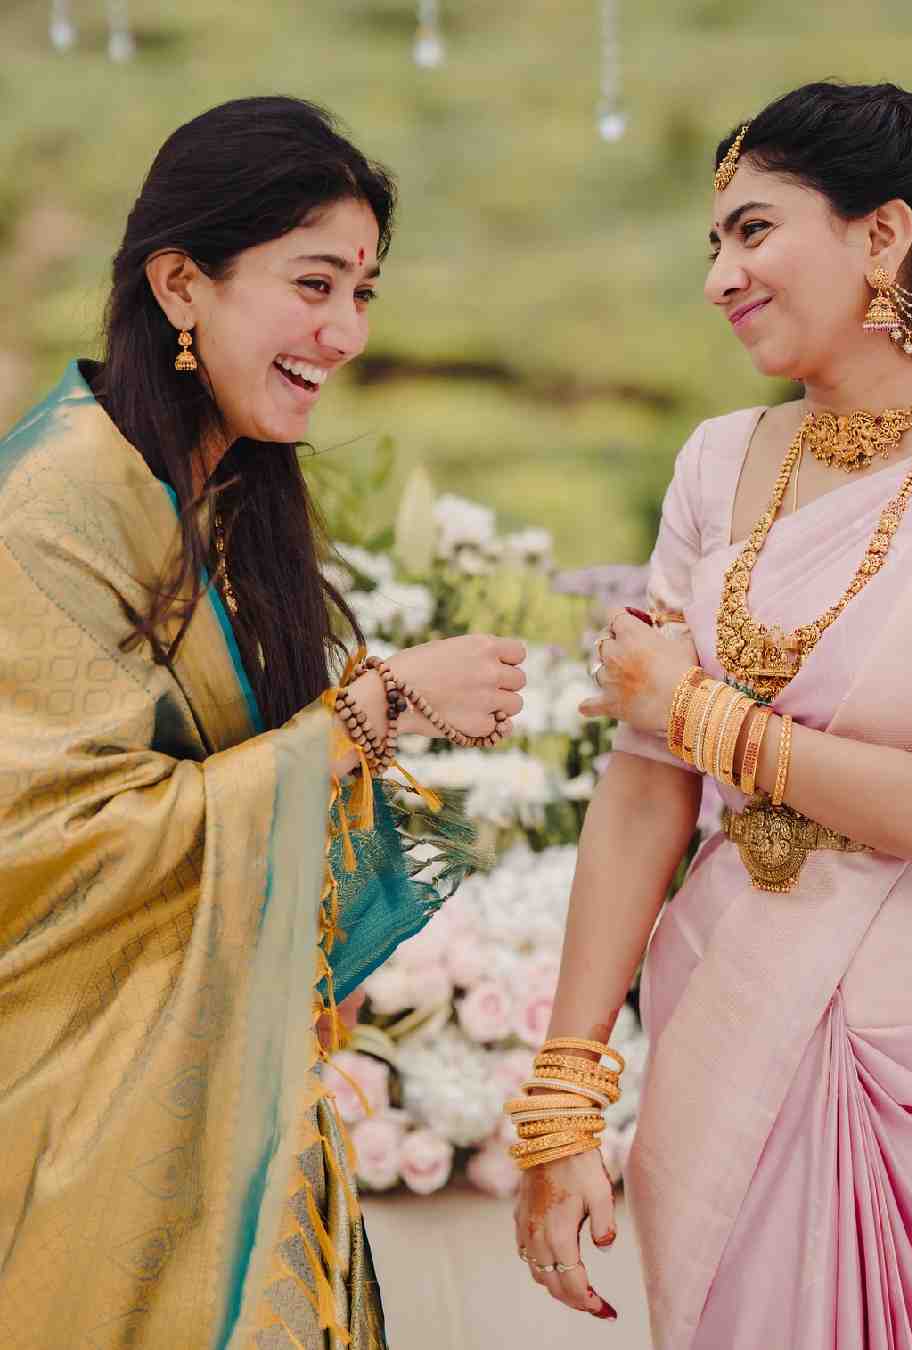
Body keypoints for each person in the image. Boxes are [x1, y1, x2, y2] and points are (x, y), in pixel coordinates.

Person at [510, 81, 912, 1349]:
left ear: (882, 238)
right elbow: (646, 782)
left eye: (755, 230)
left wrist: (704, 716)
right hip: (732, 1033)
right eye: (713, 242)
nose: (720, 275)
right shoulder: (718, 463)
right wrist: (564, 1099)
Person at [0, 96, 527, 1349]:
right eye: (314, 284)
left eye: (365, 292)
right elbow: (53, 852)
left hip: (222, 1093)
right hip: (81, 1114)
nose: (344, 332)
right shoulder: (48, 516)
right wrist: (376, 710)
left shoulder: (223, 498)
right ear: (181, 284)